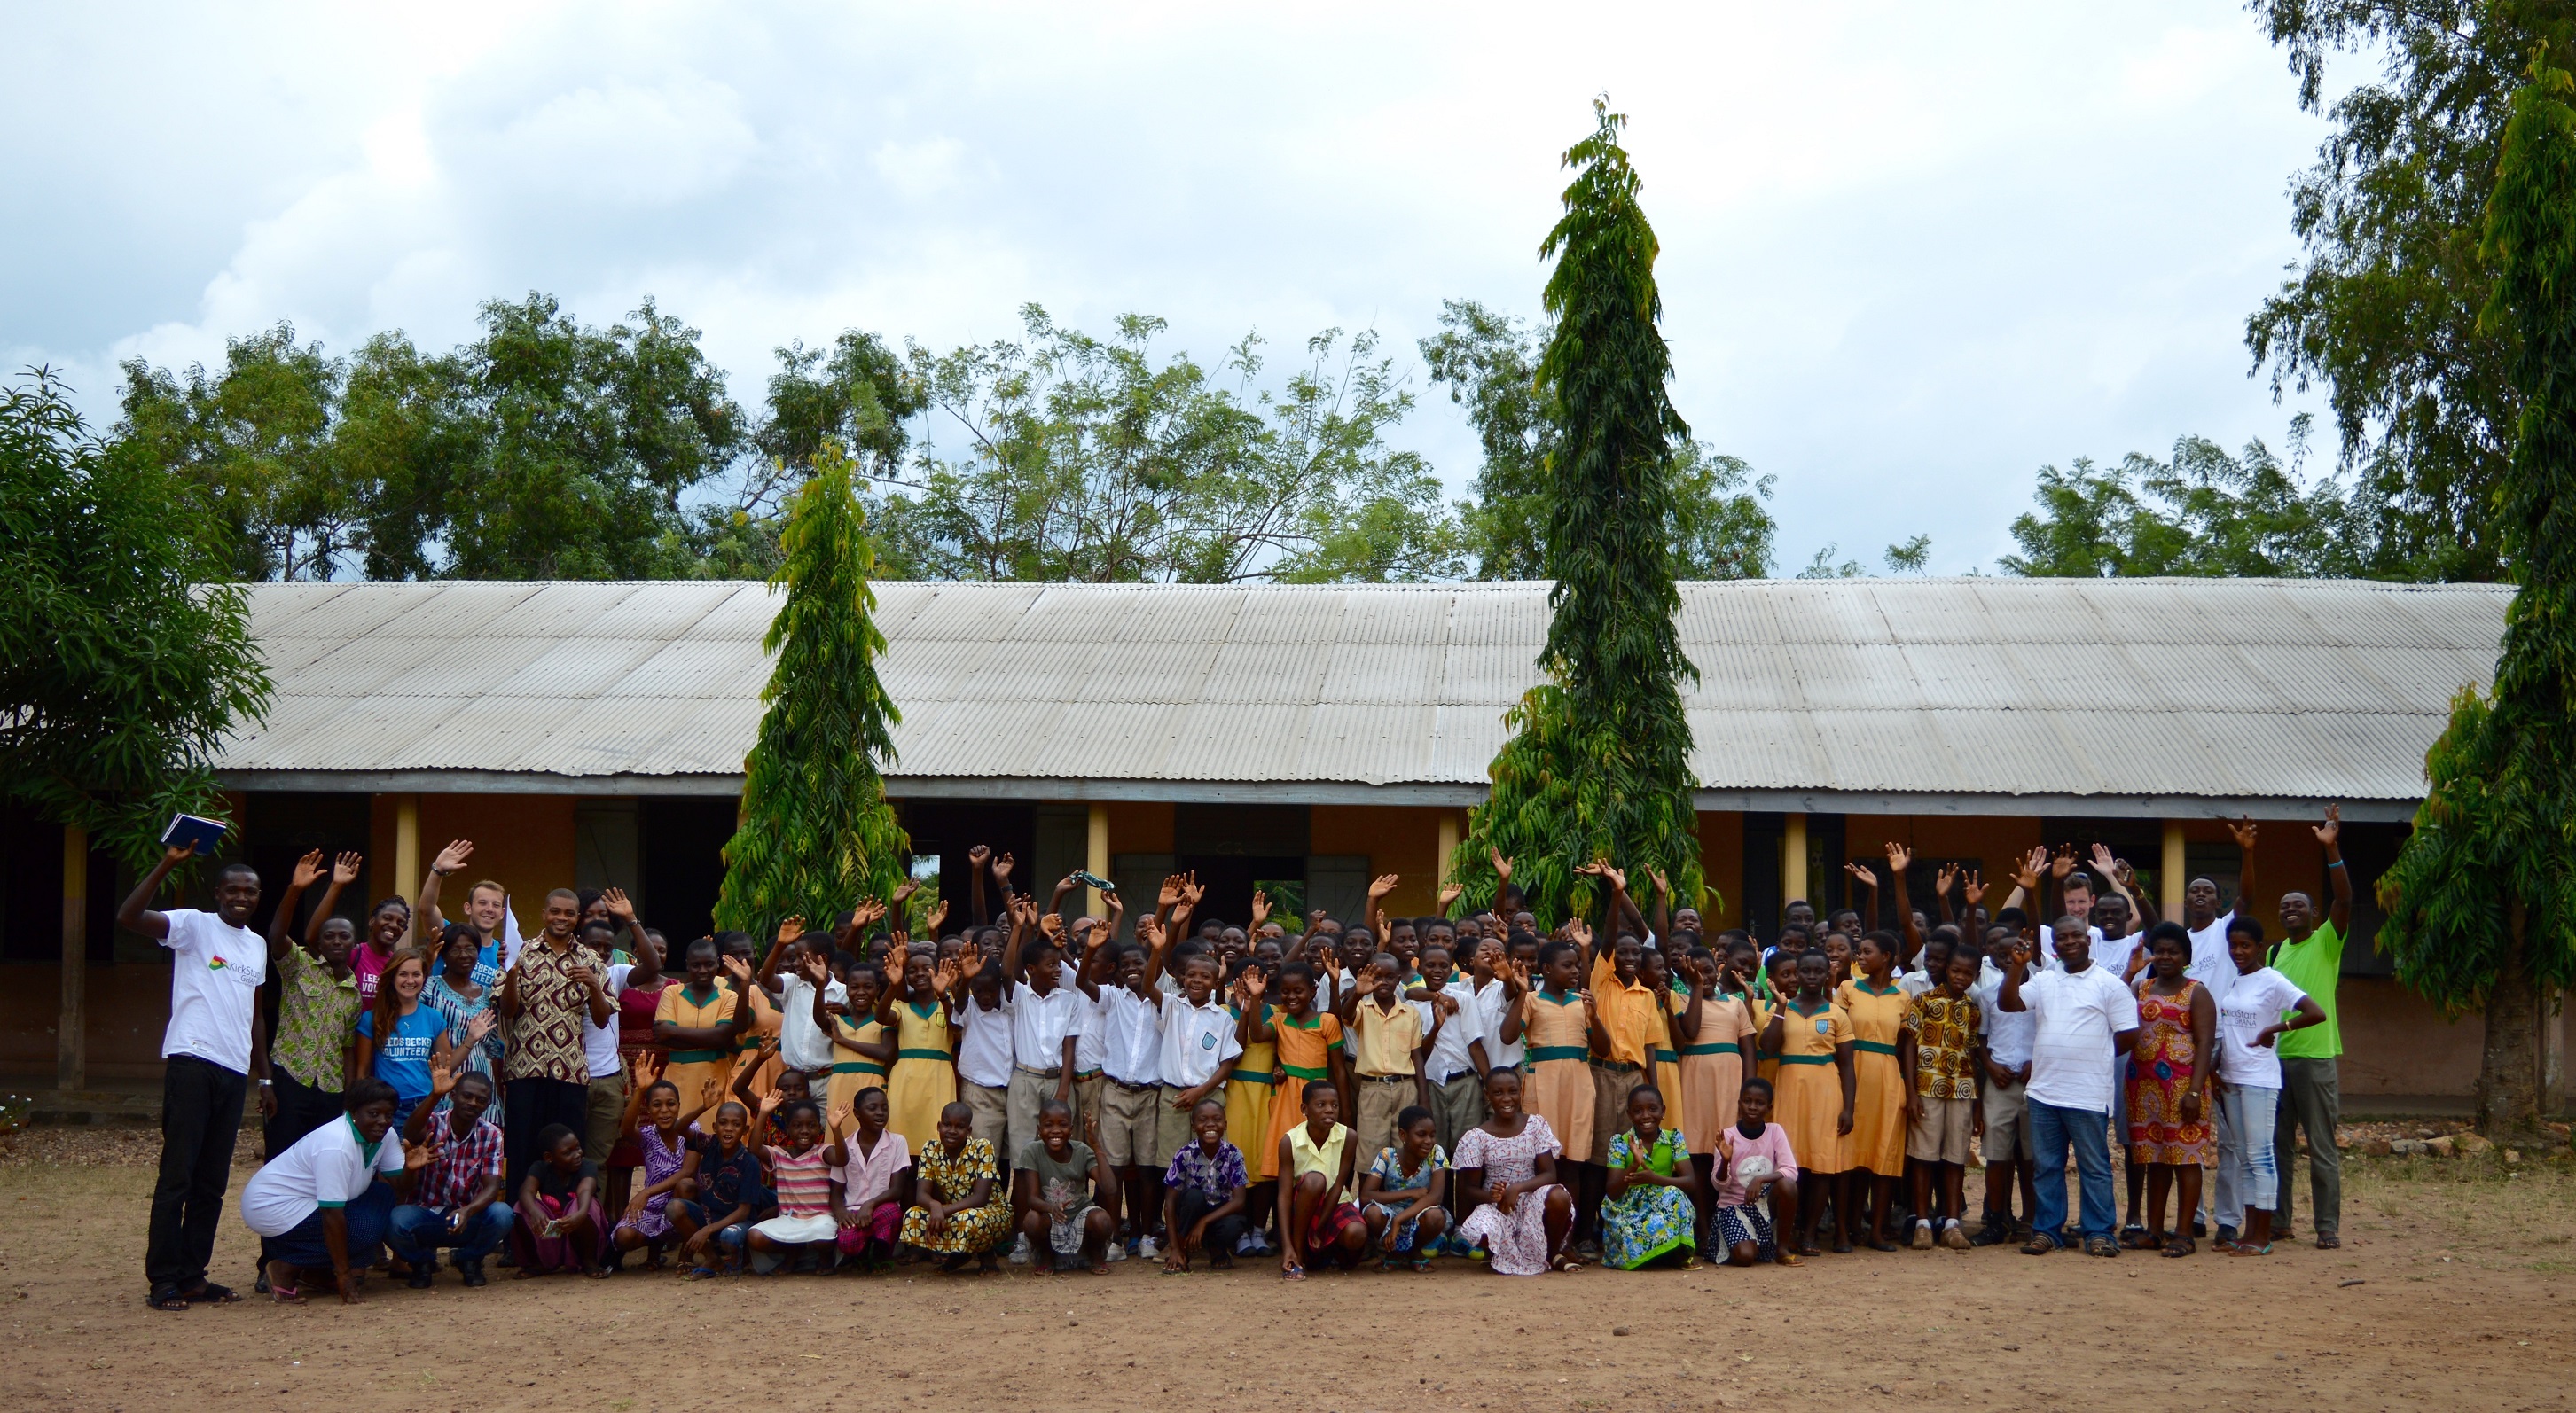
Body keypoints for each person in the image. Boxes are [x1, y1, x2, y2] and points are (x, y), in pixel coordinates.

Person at [119, 840, 269, 1312]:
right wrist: (167, 863)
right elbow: (129, 916)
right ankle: (163, 1279)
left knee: (211, 1183)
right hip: (192, 1062)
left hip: (234, 1070)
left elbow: (256, 1016)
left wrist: (264, 1078)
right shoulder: (193, 926)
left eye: (250, 891)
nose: (241, 897)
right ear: (218, 893)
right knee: (177, 1176)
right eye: (233, 890)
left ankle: (192, 1276)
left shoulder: (257, 945)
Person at [1998, 915, 2141, 1257]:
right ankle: (2047, 1231)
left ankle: (2099, 1232)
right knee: (2047, 1166)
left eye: (2076, 935)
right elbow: (2009, 1003)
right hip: (2044, 1092)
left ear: (2088, 940)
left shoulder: (2110, 985)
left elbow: (2129, 1034)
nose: (2069, 942)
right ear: (2054, 945)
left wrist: (2096, 1053)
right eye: (2061, 938)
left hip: (2088, 1093)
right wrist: (2016, 967)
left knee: (2094, 1166)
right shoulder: (2044, 980)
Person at [240, 1077, 433, 1304]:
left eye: (388, 1115)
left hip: (308, 1204)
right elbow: (332, 1213)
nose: (382, 1121)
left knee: (383, 1195)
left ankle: (316, 1272)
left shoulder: (385, 1135)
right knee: (365, 1232)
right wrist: (344, 1275)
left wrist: (411, 1169)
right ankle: (286, 1268)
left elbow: (401, 1187)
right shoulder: (337, 1144)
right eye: (373, 1114)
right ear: (353, 1112)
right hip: (274, 1208)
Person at [2215, 916, 2327, 1254]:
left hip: (2259, 1080)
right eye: (2233, 945)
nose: (2238, 951)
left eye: (2245, 945)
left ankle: (2263, 1236)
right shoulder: (2235, 981)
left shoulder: (2272, 980)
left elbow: (2316, 1012)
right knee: (2244, 1158)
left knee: (2261, 1155)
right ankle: (2248, 1233)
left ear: (2260, 948)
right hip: (2231, 1078)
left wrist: (2276, 1030)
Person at [2270, 805, 2353, 1249]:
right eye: (2284, 906)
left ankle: (2326, 1227)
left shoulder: (2326, 942)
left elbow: (2345, 900)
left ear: (2314, 913)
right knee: (2278, 1148)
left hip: (2316, 1059)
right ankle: (2279, 1222)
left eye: (2298, 905)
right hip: (2277, 1062)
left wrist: (2331, 849)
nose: (2290, 910)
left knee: (2321, 1147)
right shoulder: (2273, 953)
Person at [499, 889, 616, 1192]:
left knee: (566, 1157)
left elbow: (602, 1020)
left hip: (570, 1072)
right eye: (555, 911)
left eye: (568, 913)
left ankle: (562, 1216)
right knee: (521, 1150)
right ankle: (519, 1217)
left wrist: (594, 986)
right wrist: (511, 975)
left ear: (578, 918)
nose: (561, 918)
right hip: (525, 1069)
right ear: (544, 914)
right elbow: (508, 1011)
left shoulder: (590, 959)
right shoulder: (520, 952)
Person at [259, 852, 362, 1162]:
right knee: (281, 1158)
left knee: (321, 1162)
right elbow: (276, 936)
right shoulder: (299, 966)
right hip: (291, 1079)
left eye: (344, 936)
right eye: (328, 936)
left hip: (330, 1089)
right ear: (319, 941)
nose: (336, 941)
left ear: (354, 943)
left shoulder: (353, 994)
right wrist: (295, 889)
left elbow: (347, 1048)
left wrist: (349, 1094)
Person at [2125, 922, 2216, 1256]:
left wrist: (2194, 1091)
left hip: (2183, 1089)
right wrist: (2129, 972)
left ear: (2186, 957)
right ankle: (2153, 1231)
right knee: (2155, 1157)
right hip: (2143, 1087)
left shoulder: (2197, 992)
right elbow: (2111, 1005)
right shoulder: (2141, 987)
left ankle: (2184, 1234)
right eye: (2160, 951)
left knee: (2186, 1158)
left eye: (2173, 952)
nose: (2165, 957)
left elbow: (2205, 1043)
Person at [1760, 948, 1853, 1256]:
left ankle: (1810, 1234)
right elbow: (1768, 1047)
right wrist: (1780, 1008)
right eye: (1806, 971)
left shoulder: (1837, 1014)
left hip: (1825, 1093)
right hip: (1789, 1091)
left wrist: (1848, 1108)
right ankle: (1787, 1231)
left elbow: (1847, 1066)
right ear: (1797, 974)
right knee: (1789, 1165)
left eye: (1818, 971)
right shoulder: (1782, 1007)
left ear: (1827, 975)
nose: (1812, 977)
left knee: (1821, 1165)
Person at [390, 1062, 512, 1286]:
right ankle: (422, 1263)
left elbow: (492, 1187)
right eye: (467, 1096)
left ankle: (469, 1259)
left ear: (487, 1105)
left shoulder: (492, 1134)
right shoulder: (434, 1123)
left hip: (467, 1215)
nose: (473, 1103)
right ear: (453, 1096)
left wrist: (467, 1211)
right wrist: (435, 1095)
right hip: (427, 1214)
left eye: (481, 1100)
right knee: (396, 1220)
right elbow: (409, 1132)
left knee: (503, 1214)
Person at [1898, 941, 1984, 1251]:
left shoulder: (1972, 1009)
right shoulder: (1923, 1001)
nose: (1960, 977)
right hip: (1926, 1088)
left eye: (1967, 973)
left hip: (1961, 1090)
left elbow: (1973, 1055)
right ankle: (1922, 1223)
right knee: (1923, 1156)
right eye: (1956, 970)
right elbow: (1909, 1045)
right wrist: (1911, 1092)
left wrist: (1977, 1107)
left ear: (1975, 976)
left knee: (1955, 1157)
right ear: (1946, 969)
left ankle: (1951, 1224)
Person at [1452, 1067, 1576, 1275]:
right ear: (1487, 1094)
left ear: (1521, 1092)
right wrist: (1492, 1196)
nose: (1507, 1099)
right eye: (1498, 1093)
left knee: (1559, 1196)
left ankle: (1552, 1253)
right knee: (1477, 1229)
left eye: (1512, 1091)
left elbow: (1549, 1175)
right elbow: (1469, 1189)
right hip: (1498, 1205)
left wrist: (1517, 1188)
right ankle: (1501, 1255)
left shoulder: (1535, 1126)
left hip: (1532, 1200)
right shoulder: (1477, 1137)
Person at [1833, 929, 1910, 1251]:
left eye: (1866, 952)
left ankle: (1876, 1230)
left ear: (1886, 957)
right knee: (1848, 1156)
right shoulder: (1847, 989)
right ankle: (1844, 1229)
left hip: (1888, 1079)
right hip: (1852, 1075)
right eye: (1859, 952)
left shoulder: (1902, 997)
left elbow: (1906, 1046)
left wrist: (1910, 1091)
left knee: (1884, 1156)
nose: (1859, 957)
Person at [607, 1066, 715, 1270]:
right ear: (648, 1109)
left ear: (679, 1106)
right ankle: (654, 1252)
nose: (664, 1110)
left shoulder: (692, 1130)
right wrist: (639, 1091)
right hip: (653, 1207)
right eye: (657, 1105)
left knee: (686, 1185)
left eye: (670, 1104)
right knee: (623, 1236)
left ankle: (686, 1254)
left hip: (685, 1205)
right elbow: (626, 1129)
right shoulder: (648, 1135)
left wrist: (646, 1192)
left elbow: (688, 1172)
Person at [901, 1100, 1013, 1271]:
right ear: (939, 1127)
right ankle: (959, 1254)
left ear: (969, 1131)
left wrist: (942, 1211)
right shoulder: (930, 1149)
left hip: (990, 1212)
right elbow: (922, 1195)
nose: (952, 1131)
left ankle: (987, 1256)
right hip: (953, 1212)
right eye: (947, 1125)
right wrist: (934, 1206)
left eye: (960, 1127)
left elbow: (980, 1198)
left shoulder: (983, 1147)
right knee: (913, 1216)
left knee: (972, 1219)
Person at [881, 944, 967, 1159]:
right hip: (905, 1078)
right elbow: (881, 1017)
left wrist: (943, 994)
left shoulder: (948, 1003)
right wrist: (893, 985)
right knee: (901, 1134)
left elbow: (956, 1028)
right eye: (912, 970)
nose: (919, 973)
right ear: (907, 978)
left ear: (937, 972)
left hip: (939, 1076)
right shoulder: (901, 1006)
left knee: (936, 1137)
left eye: (926, 968)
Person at [1008, 1098, 1113, 1276]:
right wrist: (1051, 1208)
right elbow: (1032, 1199)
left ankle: (1093, 1253)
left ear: (1071, 1130)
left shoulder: (1082, 1150)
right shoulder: (1032, 1151)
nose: (1055, 1130)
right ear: (1039, 1129)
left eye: (1063, 1125)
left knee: (1102, 1220)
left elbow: (1109, 1188)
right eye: (1048, 1125)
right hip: (1051, 1218)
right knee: (1032, 1220)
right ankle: (1047, 1255)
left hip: (1080, 1217)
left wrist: (1096, 1146)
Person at [1600, 1085, 1700, 1270]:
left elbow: (1690, 1182)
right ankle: (1656, 1255)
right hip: (1628, 1210)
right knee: (1628, 1235)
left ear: (1663, 1111)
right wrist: (1633, 1165)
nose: (1646, 1116)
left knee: (1675, 1194)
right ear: (1629, 1115)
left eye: (1653, 1109)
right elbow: (1612, 1192)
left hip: (1662, 1205)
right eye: (1638, 1111)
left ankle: (1679, 1254)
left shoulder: (1674, 1138)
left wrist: (1654, 1179)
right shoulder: (1619, 1142)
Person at [1276, 1079, 1366, 1278]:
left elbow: (1339, 1185)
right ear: (1304, 1109)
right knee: (1315, 1180)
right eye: (1321, 1105)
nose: (1329, 1110)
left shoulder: (1348, 1137)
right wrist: (1286, 1245)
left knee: (1357, 1233)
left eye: (1335, 1105)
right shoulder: (1289, 1141)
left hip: (1335, 1204)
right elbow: (1284, 1196)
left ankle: (1326, 1255)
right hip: (1303, 1210)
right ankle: (1297, 1254)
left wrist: (1320, 1228)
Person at [354, 946, 450, 1128]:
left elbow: (447, 1065)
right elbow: (363, 1072)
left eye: (416, 974)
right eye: (403, 974)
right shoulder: (371, 1019)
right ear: (392, 977)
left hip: (427, 1105)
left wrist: (469, 1041)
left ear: (424, 977)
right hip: (388, 1108)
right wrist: (356, 1109)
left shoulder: (434, 1017)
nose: (410, 980)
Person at [1340, 952, 1423, 1161]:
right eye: (1377, 977)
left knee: (1405, 1149)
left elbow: (1416, 1056)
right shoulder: (1362, 1008)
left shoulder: (1411, 1013)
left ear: (1398, 980)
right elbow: (1347, 1016)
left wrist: (1424, 1097)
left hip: (1405, 1087)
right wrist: (1357, 993)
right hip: (1373, 1088)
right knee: (1370, 1151)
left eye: (1389, 977)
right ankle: (1369, 1184)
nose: (1383, 982)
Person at [674, 1099, 768, 1279]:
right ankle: (712, 1258)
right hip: (709, 1217)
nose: (729, 1129)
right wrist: (703, 1106)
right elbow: (679, 1128)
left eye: (736, 1125)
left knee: (729, 1237)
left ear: (745, 1130)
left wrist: (708, 1230)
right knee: (674, 1208)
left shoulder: (749, 1162)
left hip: (736, 1223)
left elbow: (743, 1212)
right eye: (723, 1123)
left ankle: (740, 1258)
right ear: (715, 1127)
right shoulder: (709, 1144)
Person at [1711, 1078, 1800, 1267]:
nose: (1752, 1107)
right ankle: (1749, 1243)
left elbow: (1791, 1170)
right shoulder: (1727, 1136)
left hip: (1764, 1206)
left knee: (1788, 1185)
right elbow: (1719, 1186)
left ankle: (1782, 1249)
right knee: (1745, 1257)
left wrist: (1760, 1179)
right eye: (1747, 1101)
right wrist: (1725, 1160)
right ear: (1739, 1104)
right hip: (1733, 1208)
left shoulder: (1775, 1131)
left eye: (1759, 1103)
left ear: (1769, 1108)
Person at [1223, 961, 1280, 1251]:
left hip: (1266, 1094)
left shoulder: (1276, 1013)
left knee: (1264, 1163)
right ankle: (1239, 1230)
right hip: (1236, 1092)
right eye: (1245, 980)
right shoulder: (1223, 1012)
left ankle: (1259, 1230)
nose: (1251, 985)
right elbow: (1234, 1051)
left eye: (1257, 979)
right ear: (1233, 983)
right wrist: (1246, 1009)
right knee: (1238, 1161)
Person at [745, 1097, 839, 1273]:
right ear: (788, 1128)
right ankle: (794, 1251)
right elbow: (754, 1149)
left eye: (811, 1125)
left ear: (819, 1128)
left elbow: (841, 1159)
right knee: (754, 1237)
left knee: (824, 1234)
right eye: (797, 1126)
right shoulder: (780, 1154)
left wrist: (836, 1129)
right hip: (789, 1220)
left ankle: (824, 1258)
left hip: (819, 1219)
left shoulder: (823, 1152)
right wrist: (763, 1113)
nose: (804, 1131)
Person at [827, 1084, 912, 1270]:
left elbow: (897, 1190)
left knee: (891, 1213)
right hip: (854, 1213)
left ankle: (882, 1257)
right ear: (857, 1114)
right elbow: (836, 1193)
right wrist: (841, 1212)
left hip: (882, 1209)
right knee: (847, 1242)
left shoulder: (897, 1142)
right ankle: (862, 1255)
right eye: (872, 1108)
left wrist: (870, 1204)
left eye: (884, 1108)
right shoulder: (845, 1147)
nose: (880, 1113)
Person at [1160, 1097, 1248, 1273]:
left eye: (1217, 1119)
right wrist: (1174, 1246)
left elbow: (1239, 1201)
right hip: (1191, 1213)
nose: (1210, 1124)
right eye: (1202, 1120)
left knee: (1234, 1226)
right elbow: (1169, 1202)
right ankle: (1180, 1250)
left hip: (1218, 1216)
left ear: (1225, 1125)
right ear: (1193, 1127)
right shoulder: (1184, 1154)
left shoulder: (1234, 1154)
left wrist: (1204, 1222)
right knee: (1194, 1197)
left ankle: (1216, 1248)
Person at [1356, 1105, 1448, 1271]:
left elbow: (1436, 1196)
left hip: (1420, 1214)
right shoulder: (1386, 1156)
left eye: (1432, 1135)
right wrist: (1410, 1193)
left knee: (1436, 1216)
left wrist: (1399, 1219)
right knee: (1373, 1213)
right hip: (1390, 1214)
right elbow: (1366, 1196)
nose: (1429, 1140)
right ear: (1403, 1135)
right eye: (1421, 1134)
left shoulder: (1436, 1153)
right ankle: (1394, 1253)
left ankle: (1416, 1253)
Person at [511, 1122, 608, 1276]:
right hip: (552, 1234)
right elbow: (526, 1191)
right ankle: (538, 1263)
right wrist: (535, 1212)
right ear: (549, 1157)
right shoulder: (540, 1168)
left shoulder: (587, 1165)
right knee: (521, 1207)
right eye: (568, 1152)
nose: (577, 1154)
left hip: (578, 1230)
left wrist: (581, 1214)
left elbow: (585, 1189)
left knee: (588, 1204)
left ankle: (589, 1261)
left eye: (577, 1147)